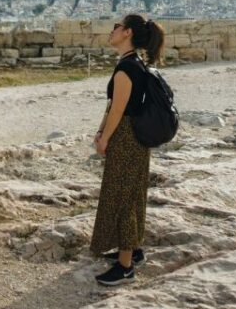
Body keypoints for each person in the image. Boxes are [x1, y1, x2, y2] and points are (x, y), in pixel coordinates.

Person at [90, 14, 166, 286]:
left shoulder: (127, 69)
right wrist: (101, 131)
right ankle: (132, 250)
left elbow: (118, 110)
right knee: (131, 193)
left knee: (123, 195)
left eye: (117, 27)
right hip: (133, 138)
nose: (112, 31)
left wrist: (104, 138)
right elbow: (113, 106)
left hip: (125, 138)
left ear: (128, 33)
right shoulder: (132, 64)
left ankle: (125, 267)